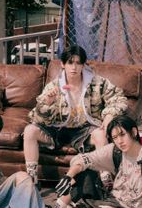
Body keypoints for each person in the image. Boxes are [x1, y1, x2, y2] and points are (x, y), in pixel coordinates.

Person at [23, 45, 128, 186]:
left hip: (85, 129)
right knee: (29, 130)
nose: (74, 67)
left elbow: (119, 99)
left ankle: (106, 182)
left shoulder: (97, 83)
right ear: (63, 64)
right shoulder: (54, 86)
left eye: (78, 63)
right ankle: (32, 180)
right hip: (57, 130)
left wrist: (109, 115)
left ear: (83, 65)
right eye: (70, 62)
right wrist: (47, 104)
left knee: (101, 134)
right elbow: (36, 118)